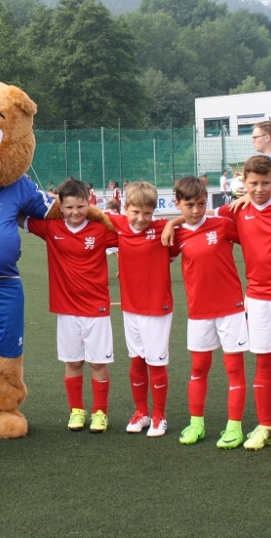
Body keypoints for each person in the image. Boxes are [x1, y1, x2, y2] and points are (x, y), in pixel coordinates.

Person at [165, 155, 271, 454]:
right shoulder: (231, 212)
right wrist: (173, 221)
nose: (259, 189)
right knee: (261, 363)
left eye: (265, 183)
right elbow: (197, 215)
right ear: (243, 182)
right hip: (251, 299)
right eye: (252, 183)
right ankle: (264, 425)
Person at [24, 179, 119, 433]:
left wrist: (103, 215)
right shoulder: (51, 228)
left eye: (81, 206)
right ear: (60, 206)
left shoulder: (101, 230)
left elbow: (130, 232)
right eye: (69, 207)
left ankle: (100, 413)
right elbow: (19, 216)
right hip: (66, 311)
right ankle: (77, 411)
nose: (75, 212)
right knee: (73, 362)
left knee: (98, 364)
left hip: (97, 310)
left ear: (89, 204)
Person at [168, 176, 248, 449]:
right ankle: (197, 424)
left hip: (231, 310)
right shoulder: (176, 234)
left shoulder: (222, 225)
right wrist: (170, 224)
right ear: (178, 204)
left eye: (201, 204)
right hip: (199, 312)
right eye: (189, 205)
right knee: (199, 368)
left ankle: (234, 427)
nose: (196, 210)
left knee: (234, 369)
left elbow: (254, 242)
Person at [103, 182, 174, 438]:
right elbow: (92, 212)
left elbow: (190, 222)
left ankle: (159, 415)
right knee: (136, 361)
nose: (141, 218)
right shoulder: (119, 224)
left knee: (156, 362)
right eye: (135, 212)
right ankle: (141, 412)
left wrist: (173, 222)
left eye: (147, 213)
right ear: (126, 208)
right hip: (130, 307)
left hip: (157, 308)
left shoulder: (162, 228)